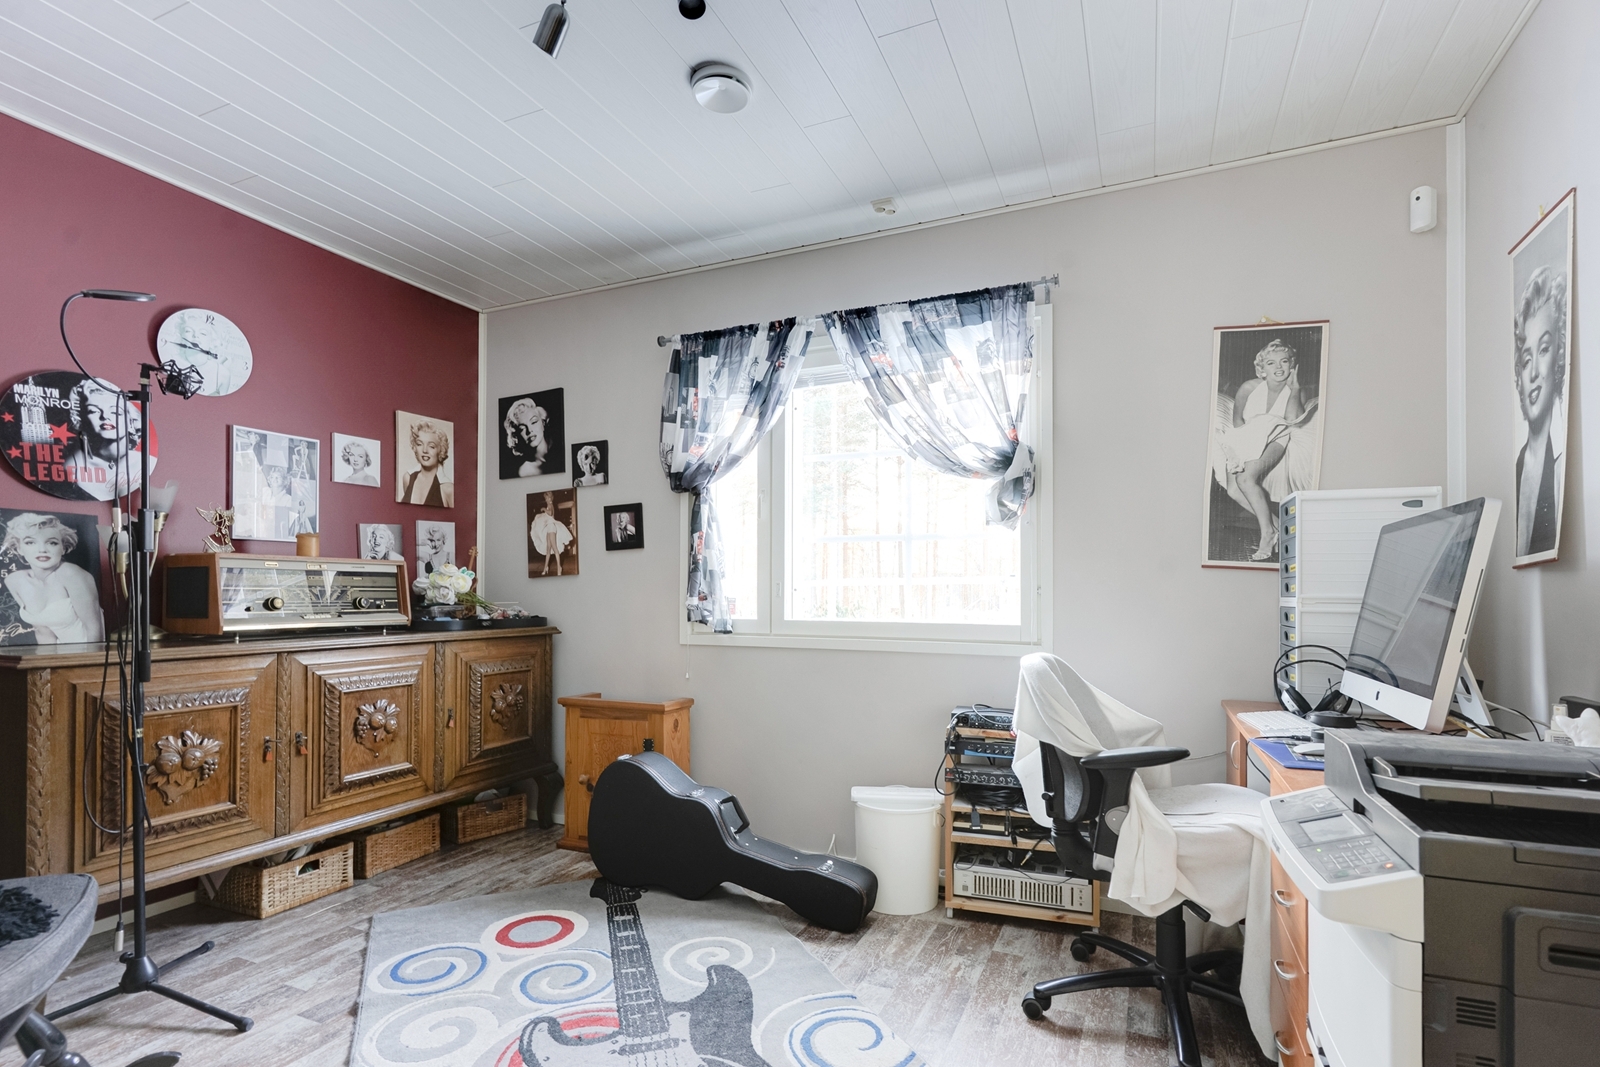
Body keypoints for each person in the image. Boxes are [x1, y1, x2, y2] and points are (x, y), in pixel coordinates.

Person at [1217, 340, 1304, 562]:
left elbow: (1293, 419)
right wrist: (1241, 449)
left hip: (1276, 437)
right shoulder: (1249, 387)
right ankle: (1280, 528)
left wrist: (1295, 388)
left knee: (1245, 480)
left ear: (1292, 365)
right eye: (1271, 363)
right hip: (1246, 436)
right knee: (1233, 490)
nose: (1279, 367)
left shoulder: (1296, 391)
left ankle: (1267, 534)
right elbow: (1237, 421)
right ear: (1261, 368)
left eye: (1284, 361)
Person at [1514, 265, 1568, 557]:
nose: (1533, 371)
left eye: (1544, 349)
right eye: (1526, 360)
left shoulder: (1562, 466)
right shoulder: (1517, 467)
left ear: (1558, 357)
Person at [3, 513, 103, 644]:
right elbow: (43, 633)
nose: (42, 549)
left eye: (52, 543)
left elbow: (94, 630)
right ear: (19, 548)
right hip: (57, 653)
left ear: (63, 548)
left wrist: (91, 658)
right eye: (30, 542)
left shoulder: (71, 574)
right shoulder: (15, 580)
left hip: (89, 651)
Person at [63, 377, 151, 502]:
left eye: (115, 412)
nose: (105, 417)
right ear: (82, 420)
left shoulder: (147, 462)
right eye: (93, 411)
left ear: (131, 421)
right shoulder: (73, 466)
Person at [400, 421, 454, 507]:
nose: (425, 450)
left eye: (431, 446)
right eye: (419, 444)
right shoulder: (408, 478)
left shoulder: (448, 489)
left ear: (441, 450)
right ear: (414, 447)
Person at [503, 397, 551, 476]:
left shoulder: (558, 449)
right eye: (522, 428)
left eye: (534, 422)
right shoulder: (526, 471)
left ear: (543, 423)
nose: (529, 430)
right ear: (516, 436)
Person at [529, 493, 573, 576]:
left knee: (555, 548)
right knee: (548, 549)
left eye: (548, 498)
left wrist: (544, 509)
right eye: (545, 498)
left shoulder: (550, 505)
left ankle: (559, 567)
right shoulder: (548, 505)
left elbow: (550, 513)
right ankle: (545, 568)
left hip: (552, 528)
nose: (546, 499)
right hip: (548, 528)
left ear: (551, 498)